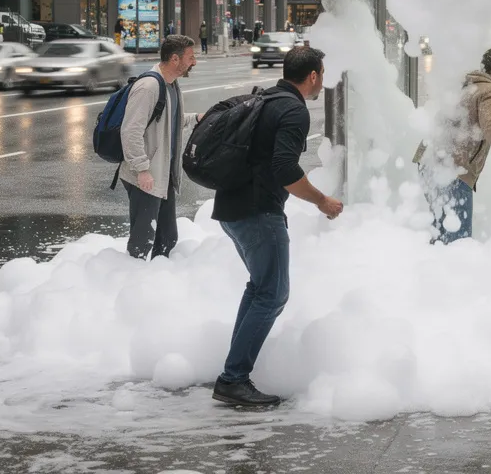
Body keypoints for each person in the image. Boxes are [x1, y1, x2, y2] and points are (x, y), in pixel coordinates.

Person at [212, 46, 343, 407]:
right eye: (322, 74)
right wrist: (322, 201)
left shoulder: (266, 99)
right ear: (313, 76)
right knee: (272, 294)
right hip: (257, 212)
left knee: (260, 289)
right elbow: (285, 169)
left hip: (231, 207)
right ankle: (233, 378)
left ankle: (233, 373)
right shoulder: (293, 110)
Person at [414, 47, 491, 244]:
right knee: (458, 242)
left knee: (440, 234)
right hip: (453, 170)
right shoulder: (489, 91)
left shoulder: (466, 85)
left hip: (428, 163)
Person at [118, 35, 201, 260]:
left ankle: (157, 281)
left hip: (162, 174)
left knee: (167, 238)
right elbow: (130, 131)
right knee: (142, 241)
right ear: (175, 59)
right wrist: (142, 169)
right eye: (191, 57)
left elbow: (167, 121)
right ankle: (130, 282)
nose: (194, 62)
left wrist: (196, 118)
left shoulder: (171, 84)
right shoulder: (148, 86)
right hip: (146, 176)